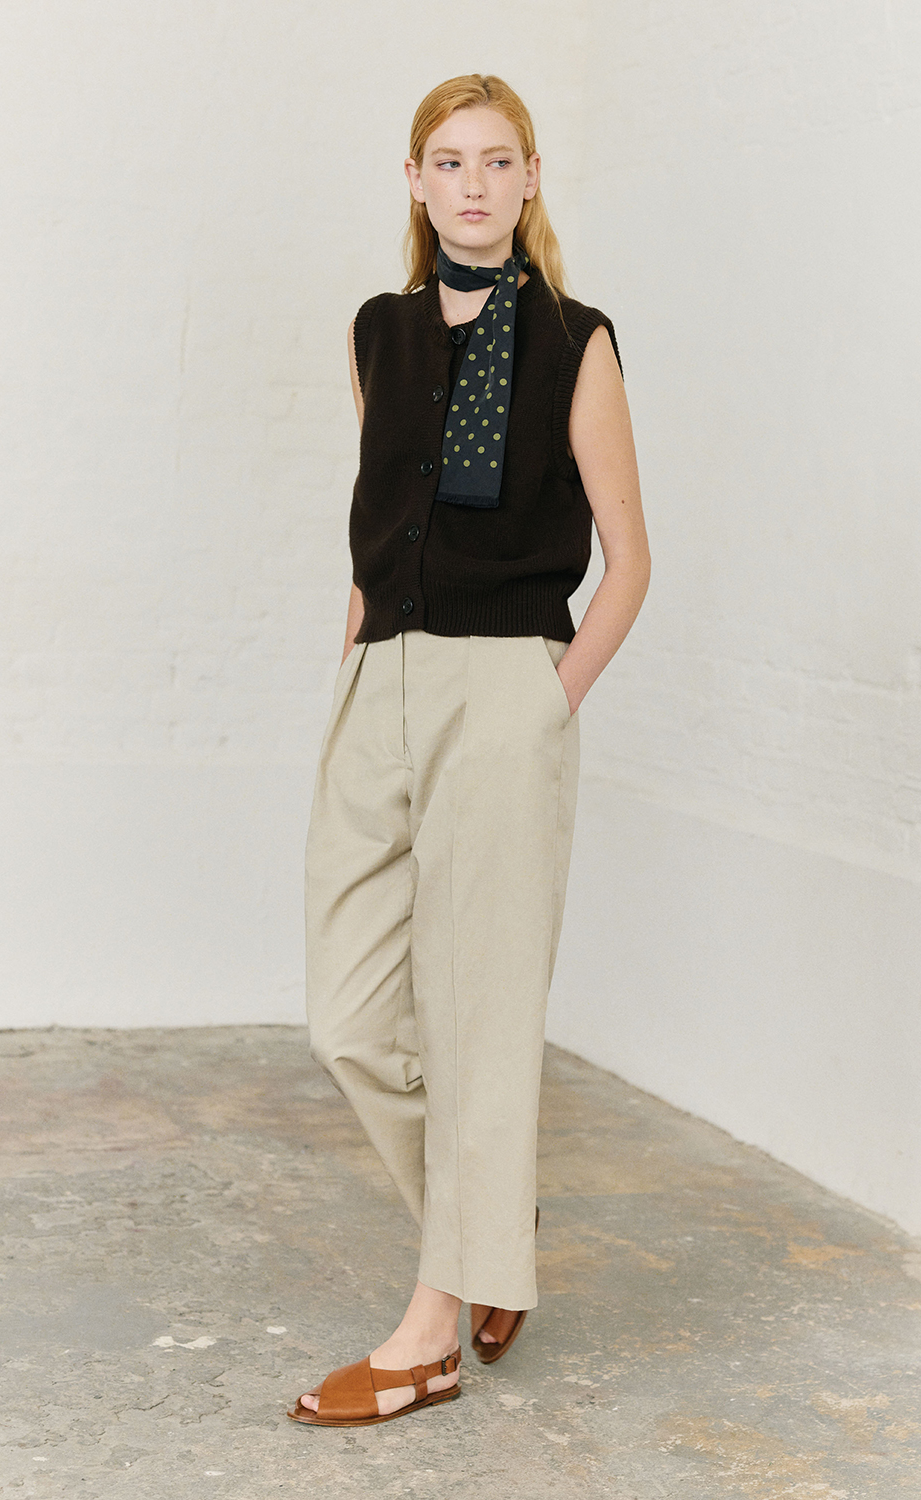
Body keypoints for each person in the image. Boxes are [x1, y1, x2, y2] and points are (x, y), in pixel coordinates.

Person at [289, 73, 649, 1428]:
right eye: (451, 161)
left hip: (506, 689)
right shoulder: (376, 333)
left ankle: (432, 1331)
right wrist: (352, 669)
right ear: (416, 180)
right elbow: (381, 518)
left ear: (532, 178)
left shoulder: (575, 342)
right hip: (378, 674)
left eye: (499, 160)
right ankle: (491, 1225)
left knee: (479, 1014)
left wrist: (550, 701)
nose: (475, 183)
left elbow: (630, 559)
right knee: (347, 1018)